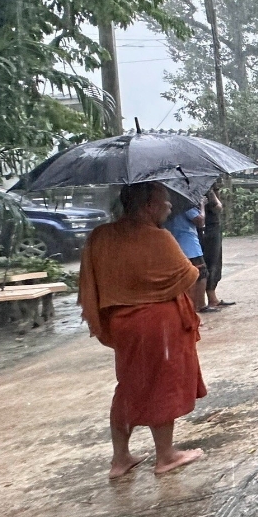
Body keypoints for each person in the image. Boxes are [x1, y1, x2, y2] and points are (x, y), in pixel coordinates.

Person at [78, 182, 207, 478]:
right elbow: (188, 276)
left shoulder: (101, 236)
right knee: (161, 383)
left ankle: (120, 459)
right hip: (157, 324)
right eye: (165, 201)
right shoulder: (157, 238)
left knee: (129, 384)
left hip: (121, 324)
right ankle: (166, 456)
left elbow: (91, 281)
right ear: (148, 206)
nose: (170, 206)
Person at [164, 201, 209, 312]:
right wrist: (202, 205)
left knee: (185, 277)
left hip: (175, 244)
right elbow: (200, 220)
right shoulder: (184, 204)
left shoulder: (166, 206)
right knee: (200, 274)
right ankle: (197, 306)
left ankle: (192, 307)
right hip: (189, 245)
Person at [200, 182, 233, 309]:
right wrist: (211, 193)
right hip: (208, 225)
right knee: (211, 261)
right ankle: (209, 298)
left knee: (212, 261)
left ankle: (210, 297)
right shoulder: (204, 185)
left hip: (209, 225)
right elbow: (217, 207)